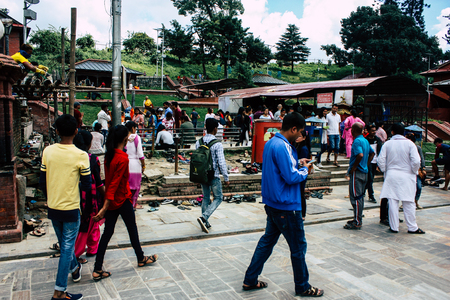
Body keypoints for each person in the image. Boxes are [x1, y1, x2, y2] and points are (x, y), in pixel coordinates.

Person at [242, 113, 323, 297]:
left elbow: (282, 169)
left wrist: (297, 163)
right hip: (287, 206)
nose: (301, 136)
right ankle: (303, 286)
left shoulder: (271, 143)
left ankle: (250, 279)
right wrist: (305, 169)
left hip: (272, 203)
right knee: (298, 248)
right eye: (300, 132)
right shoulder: (283, 146)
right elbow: (291, 176)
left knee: (267, 242)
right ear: (293, 129)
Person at [92, 125, 158, 281]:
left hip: (114, 199)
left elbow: (109, 182)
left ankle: (97, 267)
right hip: (121, 199)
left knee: (107, 233)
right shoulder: (122, 158)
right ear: (124, 138)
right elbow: (114, 183)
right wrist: (104, 207)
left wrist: (106, 205)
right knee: (132, 229)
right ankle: (141, 258)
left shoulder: (109, 155)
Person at [39, 114, 90, 300]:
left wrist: (49, 198)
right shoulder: (81, 155)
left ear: (57, 131)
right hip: (71, 209)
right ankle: (59, 291)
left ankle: (75, 268)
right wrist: (87, 208)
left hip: (53, 207)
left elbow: (42, 181)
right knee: (67, 248)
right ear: (77, 131)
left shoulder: (48, 151)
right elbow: (86, 185)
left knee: (65, 245)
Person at [378, 123, 425, 234]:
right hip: (407, 176)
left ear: (392, 132)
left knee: (393, 202)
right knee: (409, 202)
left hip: (392, 175)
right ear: (403, 132)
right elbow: (416, 161)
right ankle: (412, 227)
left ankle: (394, 227)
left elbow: (380, 161)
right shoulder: (410, 144)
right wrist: (413, 171)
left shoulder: (387, 144)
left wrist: (386, 170)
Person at [73, 130, 105, 265]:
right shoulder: (92, 159)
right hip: (90, 196)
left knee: (89, 224)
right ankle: (76, 253)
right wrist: (105, 196)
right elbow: (98, 181)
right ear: (89, 143)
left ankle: (93, 248)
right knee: (89, 224)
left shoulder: (72, 158)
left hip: (76, 194)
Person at [196, 118, 230, 234]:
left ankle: (205, 222)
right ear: (215, 129)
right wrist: (226, 177)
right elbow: (221, 162)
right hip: (213, 175)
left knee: (205, 197)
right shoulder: (217, 144)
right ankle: (204, 217)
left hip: (201, 174)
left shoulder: (199, 142)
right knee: (218, 198)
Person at [343, 122, 374, 230]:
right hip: (364, 172)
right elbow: (372, 153)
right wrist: (366, 164)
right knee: (360, 197)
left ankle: (357, 221)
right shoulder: (365, 140)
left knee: (355, 197)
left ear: (354, 130)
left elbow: (360, 155)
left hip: (357, 173)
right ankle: (357, 218)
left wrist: (354, 167)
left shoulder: (357, 141)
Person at [125, 122, 146, 210]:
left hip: (125, 164)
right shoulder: (137, 137)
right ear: (133, 128)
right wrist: (143, 165)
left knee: (126, 187)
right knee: (135, 187)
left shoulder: (123, 137)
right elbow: (140, 154)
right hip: (135, 165)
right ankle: (133, 204)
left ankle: (126, 205)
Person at [405, 133, 425, 209]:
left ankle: (416, 201)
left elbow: (421, 158)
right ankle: (405, 202)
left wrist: (423, 168)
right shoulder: (404, 148)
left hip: (417, 170)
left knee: (418, 187)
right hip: (407, 170)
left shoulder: (417, 148)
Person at [365, 125, 383, 203]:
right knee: (370, 178)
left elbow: (380, 151)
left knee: (369, 179)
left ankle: (364, 191)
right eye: (372, 130)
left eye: (375, 130)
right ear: (368, 131)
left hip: (375, 161)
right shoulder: (366, 140)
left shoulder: (377, 140)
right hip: (368, 161)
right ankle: (371, 195)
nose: (374, 132)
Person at [296, 130, 311, 220]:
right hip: (298, 172)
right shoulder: (297, 146)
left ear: (304, 138)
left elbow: (303, 163)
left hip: (301, 173)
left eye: (299, 136)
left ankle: (302, 214)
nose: (297, 138)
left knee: (301, 192)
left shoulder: (304, 148)